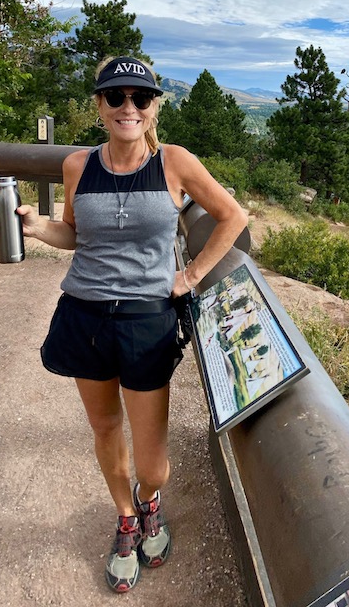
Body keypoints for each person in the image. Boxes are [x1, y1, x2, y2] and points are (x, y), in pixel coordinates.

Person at [16, 55, 248, 593]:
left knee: (154, 460)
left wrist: (189, 274)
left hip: (147, 320)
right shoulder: (78, 166)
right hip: (83, 314)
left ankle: (151, 500)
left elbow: (232, 216)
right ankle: (126, 517)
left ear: (153, 107)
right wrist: (36, 226)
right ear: (99, 105)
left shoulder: (175, 162)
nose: (128, 107)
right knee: (103, 429)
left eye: (140, 98)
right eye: (116, 96)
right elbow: (75, 234)